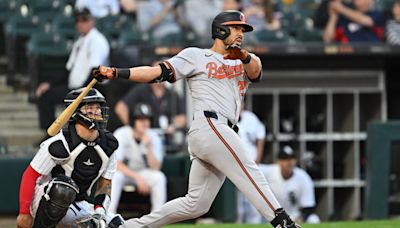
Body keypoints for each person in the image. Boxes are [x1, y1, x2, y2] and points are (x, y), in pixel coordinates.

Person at [92, 10, 300, 228]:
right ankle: (282, 222)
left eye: (243, 30)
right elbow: (156, 72)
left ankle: (128, 226)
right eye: (236, 28)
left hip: (221, 131)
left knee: (196, 204)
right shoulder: (196, 55)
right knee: (248, 167)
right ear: (221, 30)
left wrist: (244, 56)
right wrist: (116, 72)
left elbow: (257, 71)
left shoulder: (244, 62)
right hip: (210, 125)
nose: (241, 33)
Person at [16, 88, 124, 228]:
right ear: (76, 113)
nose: (97, 112)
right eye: (90, 108)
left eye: (98, 107)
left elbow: (105, 185)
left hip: (78, 202)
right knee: (62, 189)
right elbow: (30, 175)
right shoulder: (59, 143)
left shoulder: (109, 145)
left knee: (115, 224)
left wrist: (99, 211)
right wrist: (24, 213)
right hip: (45, 198)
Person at [35, 8, 110, 133]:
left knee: (48, 98)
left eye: (84, 20)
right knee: (45, 95)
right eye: (78, 20)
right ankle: (51, 133)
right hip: (75, 88)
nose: (80, 23)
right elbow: (67, 71)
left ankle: (52, 133)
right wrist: (49, 84)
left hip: (91, 90)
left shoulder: (98, 41)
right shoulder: (80, 41)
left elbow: (96, 72)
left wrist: (81, 93)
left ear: (92, 21)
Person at [109, 103, 167, 214]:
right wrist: (137, 178)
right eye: (140, 119)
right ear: (133, 121)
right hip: (125, 172)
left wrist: (148, 147)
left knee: (159, 178)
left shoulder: (153, 136)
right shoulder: (121, 133)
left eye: (147, 119)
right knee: (116, 176)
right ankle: (108, 215)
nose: (145, 123)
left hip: (142, 172)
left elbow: (156, 168)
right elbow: (116, 164)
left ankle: (157, 218)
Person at [260, 146, 320, 224]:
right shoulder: (269, 172)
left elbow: (308, 206)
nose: (289, 162)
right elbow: (251, 169)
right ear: (279, 161)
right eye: (285, 159)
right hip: (271, 216)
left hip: (293, 216)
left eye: (292, 158)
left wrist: (300, 218)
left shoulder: (303, 177)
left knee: (314, 219)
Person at [236, 104, 266, 224]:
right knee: (238, 207)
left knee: (253, 201)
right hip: (234, 166)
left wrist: (258, 158)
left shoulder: (250, 118)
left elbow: (261, 136)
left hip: (251, 163)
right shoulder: (225, 117)